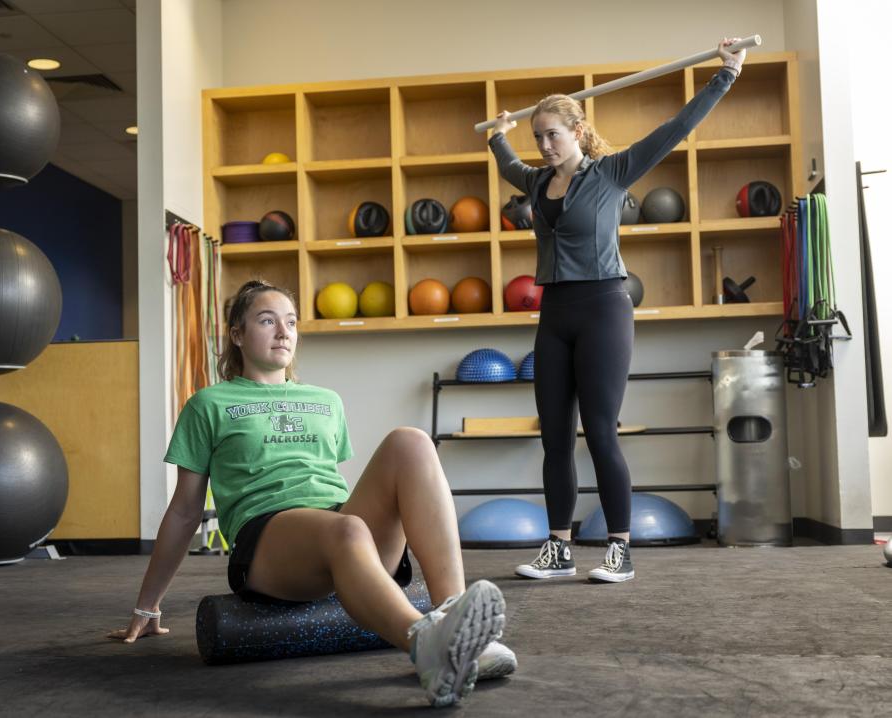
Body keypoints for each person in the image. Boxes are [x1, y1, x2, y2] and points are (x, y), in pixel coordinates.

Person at [109, 279, 515, 707]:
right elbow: (184, 512)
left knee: (410, 441)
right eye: (267, 321)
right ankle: (428, 649)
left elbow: (324, 478)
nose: (284, 332)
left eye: (290, 322)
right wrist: (147, 606)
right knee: (347, 529)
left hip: (340, 527)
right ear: (237, 334)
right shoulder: (208, 404)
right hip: (269, 543)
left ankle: (454, 622)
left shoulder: (326, 400)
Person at [489, 39, 747, 583]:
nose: (543, 146)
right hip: (555, 313)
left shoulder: (612, 173)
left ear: (577, 133)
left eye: (552, 135)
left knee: (601, 431)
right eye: (538, 137)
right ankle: (558, 547)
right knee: (554, 435)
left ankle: (619, 548)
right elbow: (510, 164)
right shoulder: (537, 182)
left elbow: (675, 129)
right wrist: (497, 136)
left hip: (605, 307)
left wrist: (726, 74)